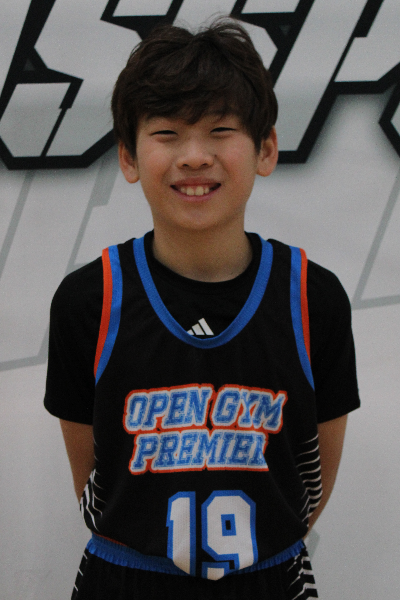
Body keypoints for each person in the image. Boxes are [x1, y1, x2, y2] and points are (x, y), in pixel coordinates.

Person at [44, 18, 360, 600]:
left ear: (266, 149)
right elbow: (94, 485)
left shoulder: (313, 299)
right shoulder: (88, 302)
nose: (194, 156)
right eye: (167, 133)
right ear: (128, 156)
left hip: (273, 580)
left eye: (220, 130)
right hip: (124, 581)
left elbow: (310, 482)